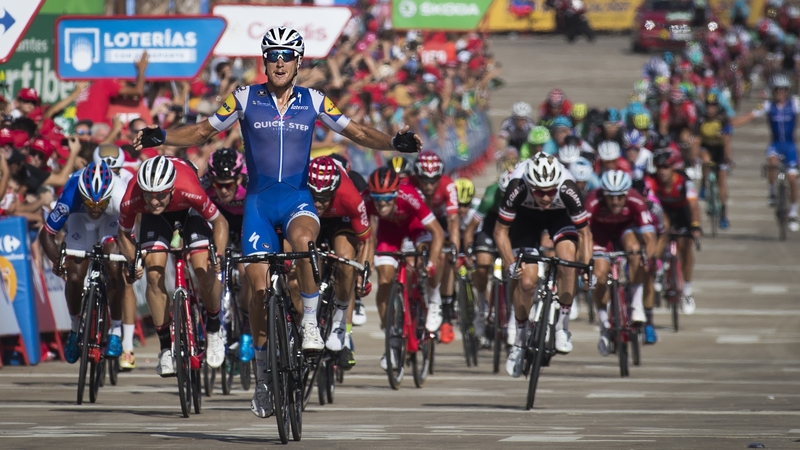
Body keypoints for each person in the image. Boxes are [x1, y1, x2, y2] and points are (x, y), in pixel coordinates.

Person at [132, 26, 421, 419]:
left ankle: (309, 326)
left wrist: (392, 142)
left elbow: (356, 131)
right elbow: (201, 131)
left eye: (287, 54)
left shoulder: (314, 100)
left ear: (299, 61)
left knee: (303, 242)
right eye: (273, 55)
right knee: (256, 291)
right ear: (264, 62)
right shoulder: (245, 98)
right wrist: (160, 135)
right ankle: (265, 378)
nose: (280, 61)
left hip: (297, 199)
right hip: (258, 204)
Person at [116, 156, 230, 378]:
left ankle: (215, 329)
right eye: (149, 195)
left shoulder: (189, 187)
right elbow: (123, 234)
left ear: (171, 188)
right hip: (154, 220)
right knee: (153, 271)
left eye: (160, 195)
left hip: (190, 211)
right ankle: (166, 349)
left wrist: (219, 255)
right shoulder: (133, 197)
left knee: (202, 267)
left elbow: (220, 222)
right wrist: (133, 261)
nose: (155, 200)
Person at [494, 154, 592, 378]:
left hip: (559, 217)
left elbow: (585, 234)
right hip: (525, 219)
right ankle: (518, 344)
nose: (546, 197)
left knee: (568, 261)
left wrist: (585, 268)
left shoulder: (567, 188)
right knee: (527, 282)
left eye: (550, 191)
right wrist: (510, 265)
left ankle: (562, 327)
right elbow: (500, 231)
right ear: (530, 184)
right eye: (539, 191)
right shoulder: (516, 186)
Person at [38, 162, 127, 363]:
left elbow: (129, 234)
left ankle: (116, 330)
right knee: (76, 277)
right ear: (82, 195)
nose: (95, 209)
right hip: (80, 217)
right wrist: (58, 262)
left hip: (111, 219)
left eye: (100, 204)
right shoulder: (71, 193)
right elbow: (47, 234)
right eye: (90, 203)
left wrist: (131, 262)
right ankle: (75, 328)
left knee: (114, 267)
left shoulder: (120, 195)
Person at [363, 167, 444, 370]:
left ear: (396, 193)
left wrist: (431, 263)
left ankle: (434, 300)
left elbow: (438, 233)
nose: (382, 203)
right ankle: (392, 336)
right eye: (377, 198)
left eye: (388, 198)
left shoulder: (409, 195)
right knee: (384, 280)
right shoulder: (365, 200)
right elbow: (362, 233)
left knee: (420, 257)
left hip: (413, 228)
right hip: (388, 234)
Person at [307, 156, 372, 370]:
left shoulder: (350, 196)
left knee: (346, 261)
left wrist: (363, 274)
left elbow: (365, 241)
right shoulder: (300, 187)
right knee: (304, 256)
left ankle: (340, 323)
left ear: (334, 190)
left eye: (324, 197)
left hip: (340, 219)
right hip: (309, 219)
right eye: (314, 196)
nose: (318, 202)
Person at [585, 170, 656, 356]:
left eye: (619, 197)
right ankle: (603, 324)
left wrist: (646, 261)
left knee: (635, 250)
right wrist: (585, 265)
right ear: (603, 194)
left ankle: (637, 305)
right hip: (599, 233)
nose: (615, 202)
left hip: (625, 230)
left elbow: (649, 237)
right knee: (599, 274)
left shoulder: (636, 199)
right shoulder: (592, 200)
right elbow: (583, 235)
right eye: (610, 197)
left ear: (627, 194)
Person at [204, 148, 254, 364]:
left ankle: (245, 324)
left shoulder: (251, 182)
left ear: (239, 177)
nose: (223, 191)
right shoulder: (206, 184)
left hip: (246, 221)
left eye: (229, 185)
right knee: (208, 265)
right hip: (218, 221)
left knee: (245, 273)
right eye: (218, 185)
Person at [732, 73, 799, 230]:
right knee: (772, 163)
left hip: (790, 146)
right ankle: (772, 192)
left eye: (783, 90)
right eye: (777, 90)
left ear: (787, 90)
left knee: (792, 179)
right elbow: (749, 116)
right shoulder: (768, 106)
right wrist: (730, 125)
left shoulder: (795, 104)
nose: (780, 93)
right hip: (775, 144)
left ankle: (794, 213)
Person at [405, 151, 459, 343]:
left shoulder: (448, 185)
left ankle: (444, 306)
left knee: (445, 257)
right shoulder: (409, 184)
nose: (428, 186)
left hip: (440, 220)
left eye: (433, 181)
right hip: (417, 221)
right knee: (410, 260)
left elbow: (453, 221)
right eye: (424, 180)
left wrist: (454, 249)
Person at [645, 149, 701, 314]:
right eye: (660, 167)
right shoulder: (651, 181)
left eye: (667, 167)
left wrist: (695, 226)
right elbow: (650, 204)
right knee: (659, 237)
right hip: (662, 212)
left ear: (673, 168)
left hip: (682, 213)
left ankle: (688, 291)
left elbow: (693, 206)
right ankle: (660, 269)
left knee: (686, 248)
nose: (663, 171)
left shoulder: (684, 181)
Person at [462, 170, 513, 345]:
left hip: (514, 227)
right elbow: (470, 229)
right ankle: (482, 307)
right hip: (492, 225)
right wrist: (470, 254)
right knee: (482, 264)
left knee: (514, 266)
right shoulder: (491, 195)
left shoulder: (522, 196)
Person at [693, 91, 733, 229]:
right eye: (708, 105)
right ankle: (704, 185)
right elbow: (697, 140)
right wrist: (693, 157)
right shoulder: (700, 119)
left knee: (722, 180)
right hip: (706, 148)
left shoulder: (723, 119)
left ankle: (723, 214)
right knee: (705, 160)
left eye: (713, 105)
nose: (710, 108)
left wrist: (728, 158)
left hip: (720, 151)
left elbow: (727, 140)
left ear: (717, 107)